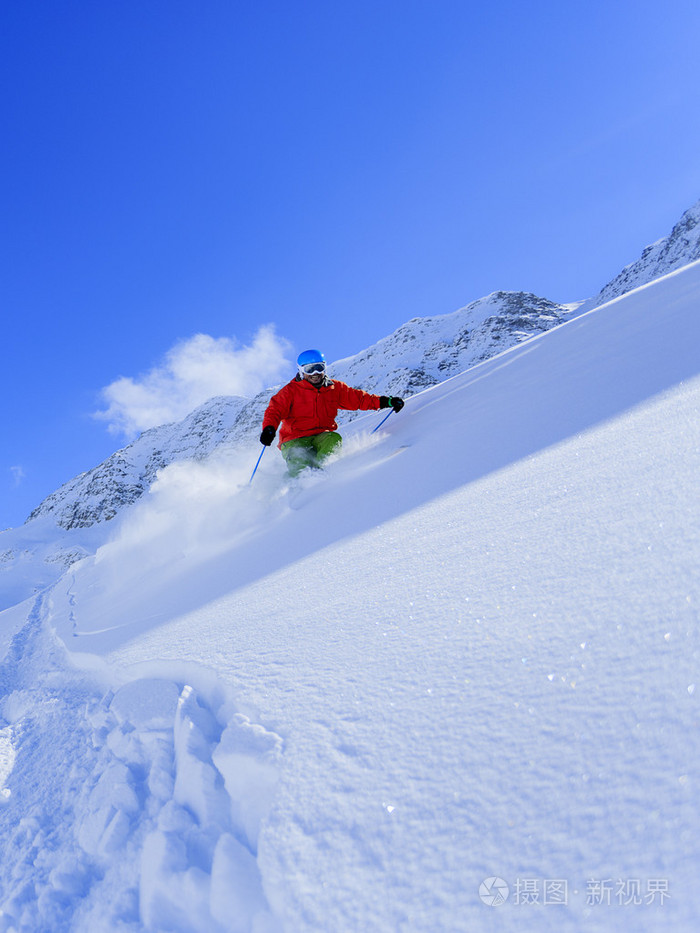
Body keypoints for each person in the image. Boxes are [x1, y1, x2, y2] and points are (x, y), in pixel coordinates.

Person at [260, 349, 404, 476]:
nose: (315, 373)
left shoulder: (334, 389)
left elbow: (360, 399)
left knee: (333, 439)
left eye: (319, 368)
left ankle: (325, 474)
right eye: (310, 369)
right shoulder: (290, 391)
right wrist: (269, 428)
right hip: (294, 439)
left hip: (322, 435)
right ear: (301, 371)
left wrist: (386, 401)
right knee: (300, 459)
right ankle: (296, 486)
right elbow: (274, 410)